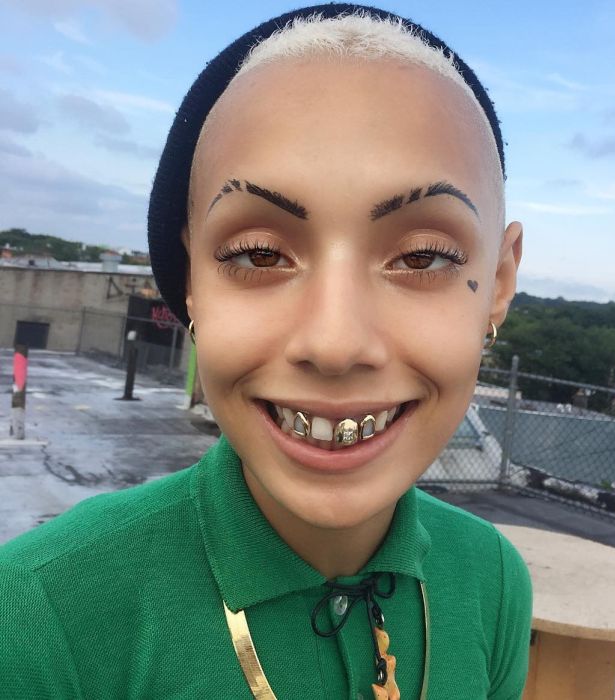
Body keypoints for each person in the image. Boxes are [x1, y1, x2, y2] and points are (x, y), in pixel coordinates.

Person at [0, 4, 531, 698]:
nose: (334, 344)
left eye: (423, 256)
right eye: (258, 254)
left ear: (498, 284)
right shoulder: (39, 613)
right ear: (192, 280)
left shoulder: (493, 580)